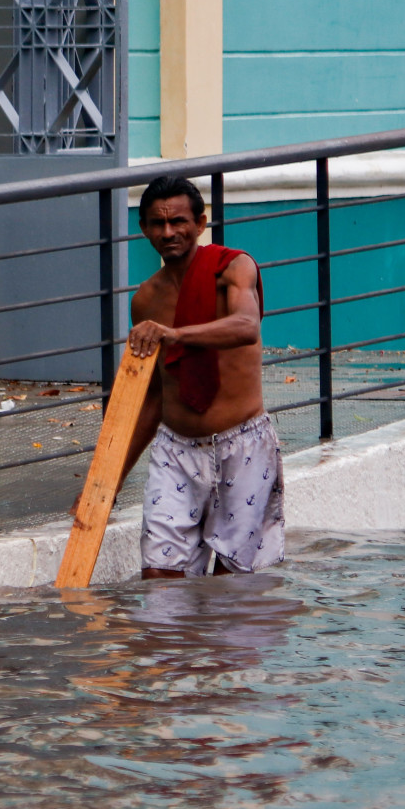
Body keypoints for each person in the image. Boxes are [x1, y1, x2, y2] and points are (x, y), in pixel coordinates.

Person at [121, 174, 285, 579]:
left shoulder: (233, 268)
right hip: (175, 450)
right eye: (157, 224)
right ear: (143, 229)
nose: (168, 232)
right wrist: (110, 482)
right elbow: (154, 397)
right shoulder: (146, 299)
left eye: (178, 221)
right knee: (159, 576)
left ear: (201, 224)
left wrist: (175, 334)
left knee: (234, 586)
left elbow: (246, 326)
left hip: (243, 444)